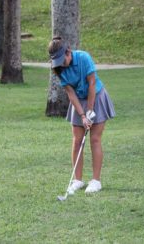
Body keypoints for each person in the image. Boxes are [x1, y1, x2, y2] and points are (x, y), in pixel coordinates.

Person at [48, 36, 115, 193]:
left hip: (96, 97)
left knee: (95, 139)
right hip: (78, 101)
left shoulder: (84, 57)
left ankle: (96, 181)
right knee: (77, 140)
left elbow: (92, 83)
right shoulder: (58, 69)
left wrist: (90, 111)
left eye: (62, 61)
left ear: (68, 52)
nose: (61, 65)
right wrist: (83, 115)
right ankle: (78, 180)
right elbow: (70, 93)